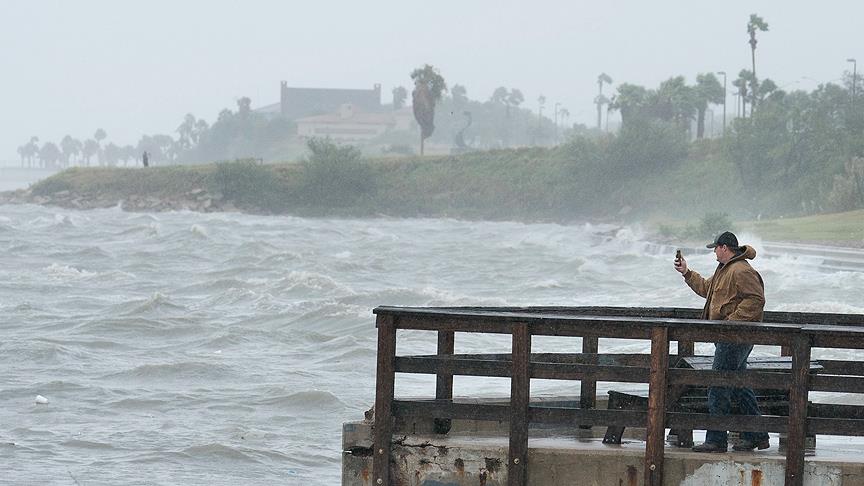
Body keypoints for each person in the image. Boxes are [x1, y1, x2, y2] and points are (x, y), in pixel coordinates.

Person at [674, 231, 771, 453]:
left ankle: (716, 439)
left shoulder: (741, 270)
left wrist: (730, 323)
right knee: (738, 385)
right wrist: (687, 273)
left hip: (735, 337)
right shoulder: (725, 270)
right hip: (730, 337)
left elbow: (756, 300)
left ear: (725, 248)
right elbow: (708, 290)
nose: (714, 252)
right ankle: (757, 435)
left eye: (715, 248)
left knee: (718, 384)